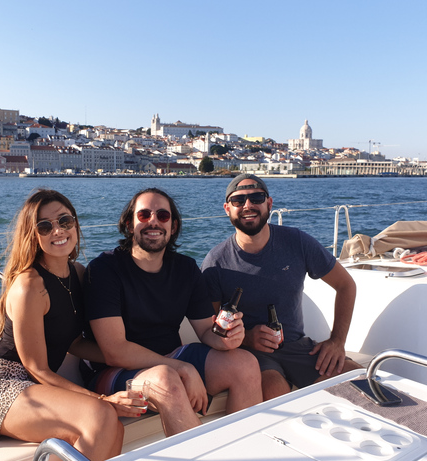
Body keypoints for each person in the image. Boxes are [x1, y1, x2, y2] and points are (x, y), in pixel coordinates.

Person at [0, 189, 143, 461]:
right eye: (45, 226)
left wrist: (118, 354)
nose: (58, 230)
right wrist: (102, 398)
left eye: (65, 221)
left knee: (113, 425)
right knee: (100, 414)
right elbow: (37, 368)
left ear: (75, 224)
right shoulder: (29, 286)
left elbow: (73, 342)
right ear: (32, 235)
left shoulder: (79, 273)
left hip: (35, 389)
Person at [83, 187, 263, 436]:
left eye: (163, 216)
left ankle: (244, 449)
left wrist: (229, 339)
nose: (153, 221)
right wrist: (181, 368)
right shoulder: (105, 270)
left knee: (246, 363)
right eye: (144, 215)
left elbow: (204, 331)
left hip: (169, 359)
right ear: (128, 224)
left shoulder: (185, 269)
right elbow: (114, 351)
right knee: (167, 381)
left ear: (174, 226)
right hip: (113, 372)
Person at [202, 174, 361, 401]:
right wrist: (247, 337)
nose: (248, 205)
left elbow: (346, 285)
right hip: (249, 354)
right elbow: (209, 327)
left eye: (256, 198)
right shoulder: (216, 262)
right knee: (275, 393)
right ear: (227, 209)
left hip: (299, 347)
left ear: (269, 203)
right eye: (238, 201)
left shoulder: (297, 242)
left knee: (359, 380)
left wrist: (337, 341)